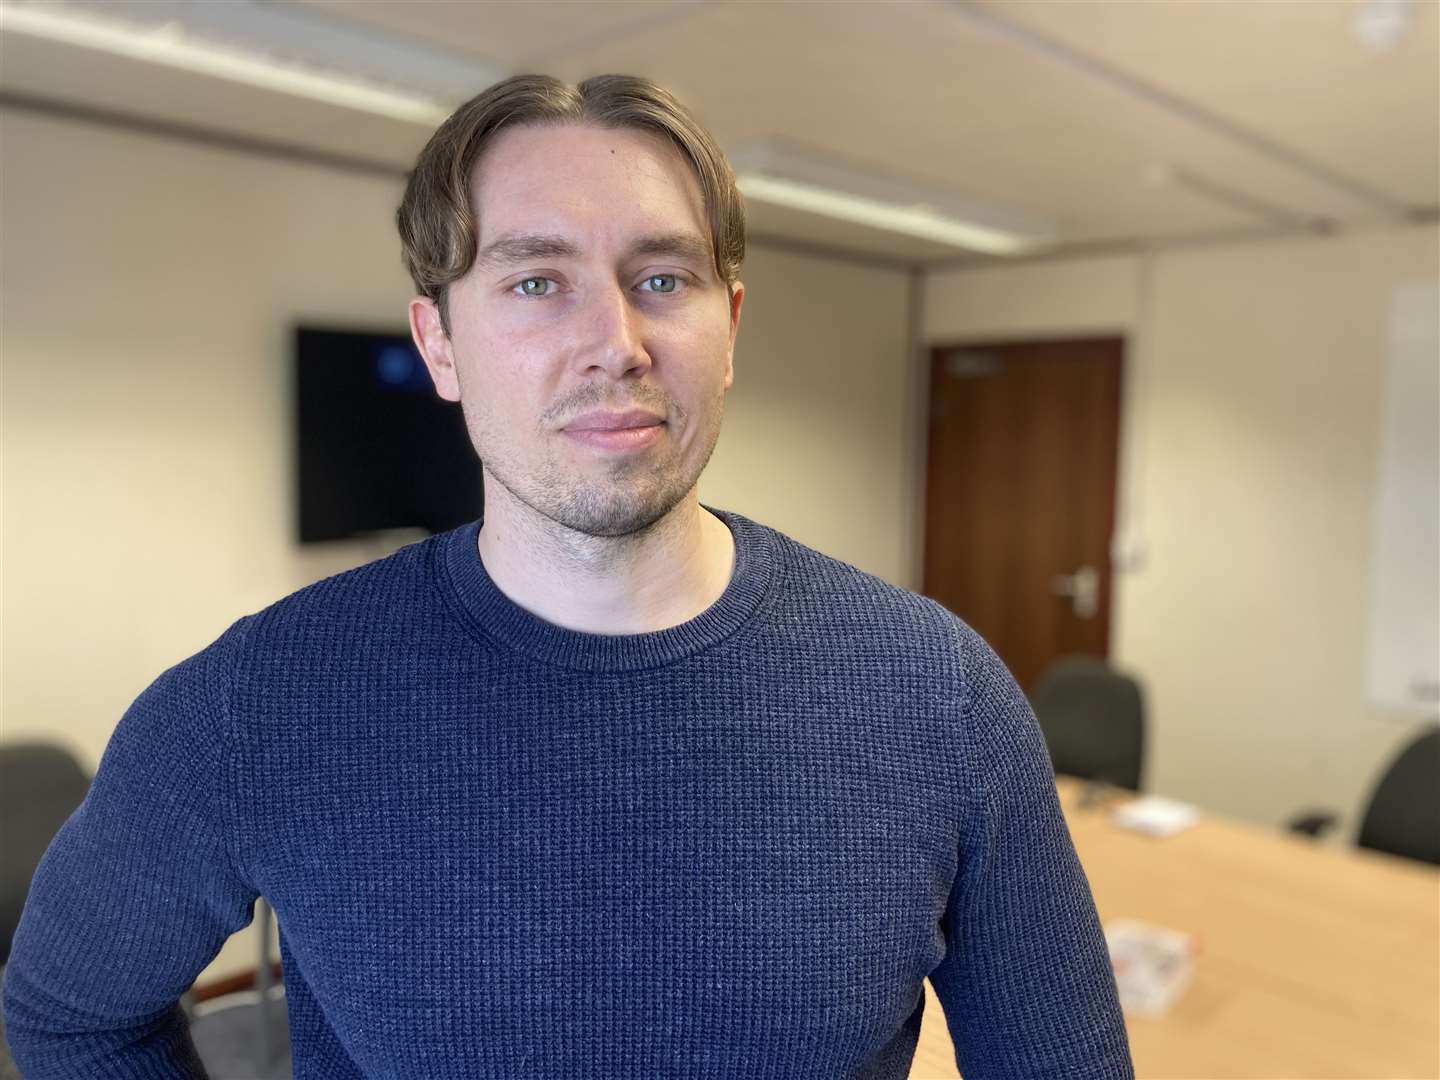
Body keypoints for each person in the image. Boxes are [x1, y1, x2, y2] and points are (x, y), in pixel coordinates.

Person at [1, 74, 1134, 1079]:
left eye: (663, 277)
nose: (616, 341)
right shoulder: (262, 699)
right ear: (438, 344)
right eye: (536, 282)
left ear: (728, 328)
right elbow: (72, 1014)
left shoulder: (939, 695)